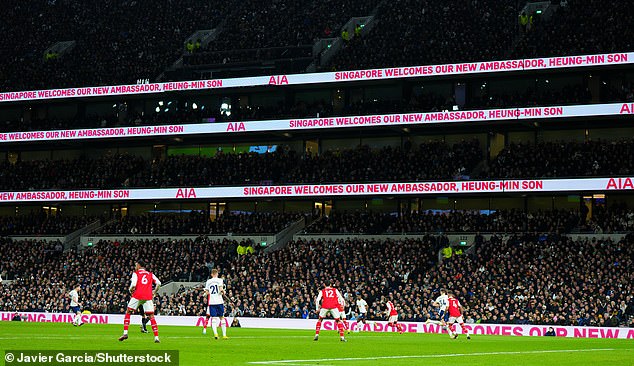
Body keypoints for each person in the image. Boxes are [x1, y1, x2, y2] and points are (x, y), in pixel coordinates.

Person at [118, 260, 161, 343]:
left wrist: (130, 290)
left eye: (136, 265)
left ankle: (125, 333)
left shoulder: (136, 273)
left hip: (137, 295)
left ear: (139, 265)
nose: (135, 266)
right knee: (151, 316)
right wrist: (154, 292)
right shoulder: (150, 274)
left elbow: (133, 284)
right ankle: (156, 337)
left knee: (128, 312)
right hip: (147, 297)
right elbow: (159, 283)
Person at [203, 269, 229, 339]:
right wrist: (223, 292)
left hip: (212, 302)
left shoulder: (208, 281)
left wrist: (204, 294)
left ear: (211, 274)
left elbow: (207, 293)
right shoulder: (220, 280)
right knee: (221, 317)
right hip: (219, 301)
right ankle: (224, 335)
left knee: (213, 318)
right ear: (217, 274)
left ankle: (216, 334)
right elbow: (221, 289)